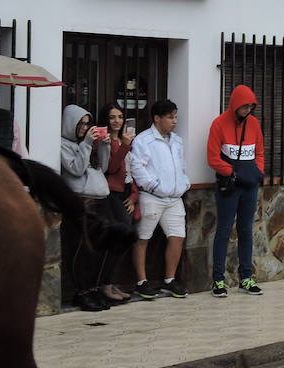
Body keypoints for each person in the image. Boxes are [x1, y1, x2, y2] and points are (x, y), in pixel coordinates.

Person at [127, 99, 191, 300]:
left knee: (177, 237)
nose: (175, 121)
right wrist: (154, 185)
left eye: (176, 116)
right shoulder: (143, 140)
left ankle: (169, 280)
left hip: (174, 198)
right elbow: (137, 166)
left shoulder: (177, 141)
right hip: (152, 197)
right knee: (143, 237)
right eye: (170, 117)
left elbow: (181, 166)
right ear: (157, 118)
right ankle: (141, 281)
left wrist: (184, 183)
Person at [207, 85, 266, 297]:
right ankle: (219, 281)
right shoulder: (219, 124)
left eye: (251, 106)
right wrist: (232, 172)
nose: (248, 110)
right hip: (229, 185)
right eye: (244, 106)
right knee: (223, 230)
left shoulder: (254, 124)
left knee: (246, 230)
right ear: (235, 105)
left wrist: (257, 172)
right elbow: (213, 158)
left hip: (249, 184)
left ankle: (246, 278)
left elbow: (259, 152)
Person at [59, 104, 116, 310]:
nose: (84, 128)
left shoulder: (86, 143)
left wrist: (104, 146)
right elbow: (76, 169)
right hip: (81, 201)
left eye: (86, 123)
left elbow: (104, 166)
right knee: (81, 250)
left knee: (99, 249)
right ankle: (81, 292)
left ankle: (93, 289)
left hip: (100, 201)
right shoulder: (62, 144)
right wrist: (87, 143)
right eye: (80, 124)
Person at [95, 103, 137, 303]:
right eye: (112, 117)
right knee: (119, 237)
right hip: (110, 194)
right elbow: (110, 168)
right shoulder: (104, 141)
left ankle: (111, 282)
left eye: (120, 117)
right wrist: (125, 147)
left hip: (124, 194)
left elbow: (131, 171)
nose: (117, 121)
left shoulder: (123, 140)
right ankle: (105, 284)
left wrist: (134, 196)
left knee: (123, 238)